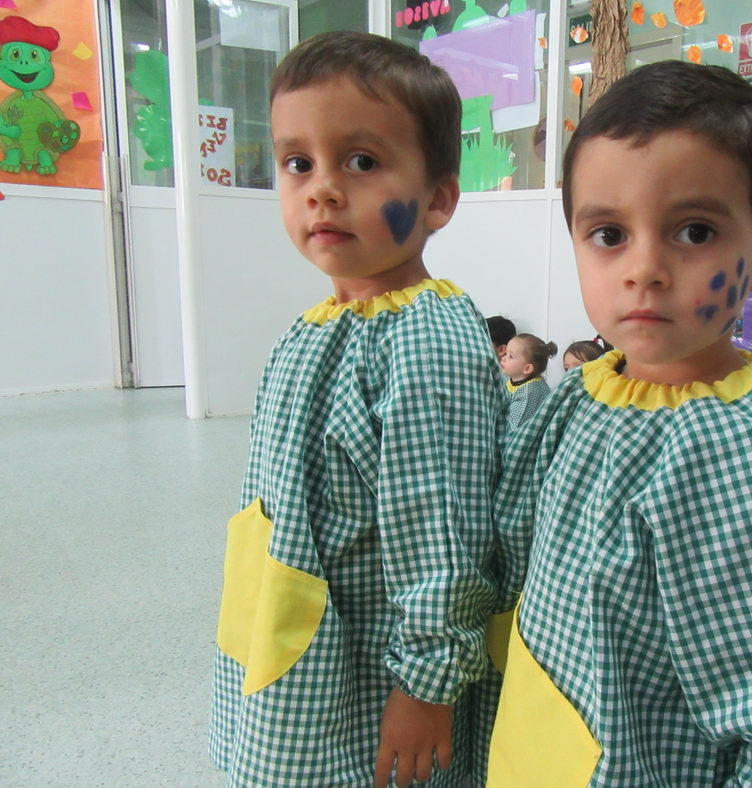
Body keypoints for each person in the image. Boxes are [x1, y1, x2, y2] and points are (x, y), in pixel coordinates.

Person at [486, 61, 752, 785]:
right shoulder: (588, 387)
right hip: (540, 737)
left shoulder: (745, 445)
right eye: (607, 233)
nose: (644, 268)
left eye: (692, 230)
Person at [208, 32, 505, 787]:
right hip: (290, 644)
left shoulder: (424, 342)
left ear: (437, 198)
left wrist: (426, 686)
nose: (321, 189)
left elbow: (440, 532)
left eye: (361, 162)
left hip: (373, 682)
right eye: (297, 162)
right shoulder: (323, 321)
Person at [500, 333, 557, 431]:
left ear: (527, 368)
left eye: (510, 356)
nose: (503, 358)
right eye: (506, 353)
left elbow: (515, 431)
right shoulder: (510, 377)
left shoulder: (529, 392)